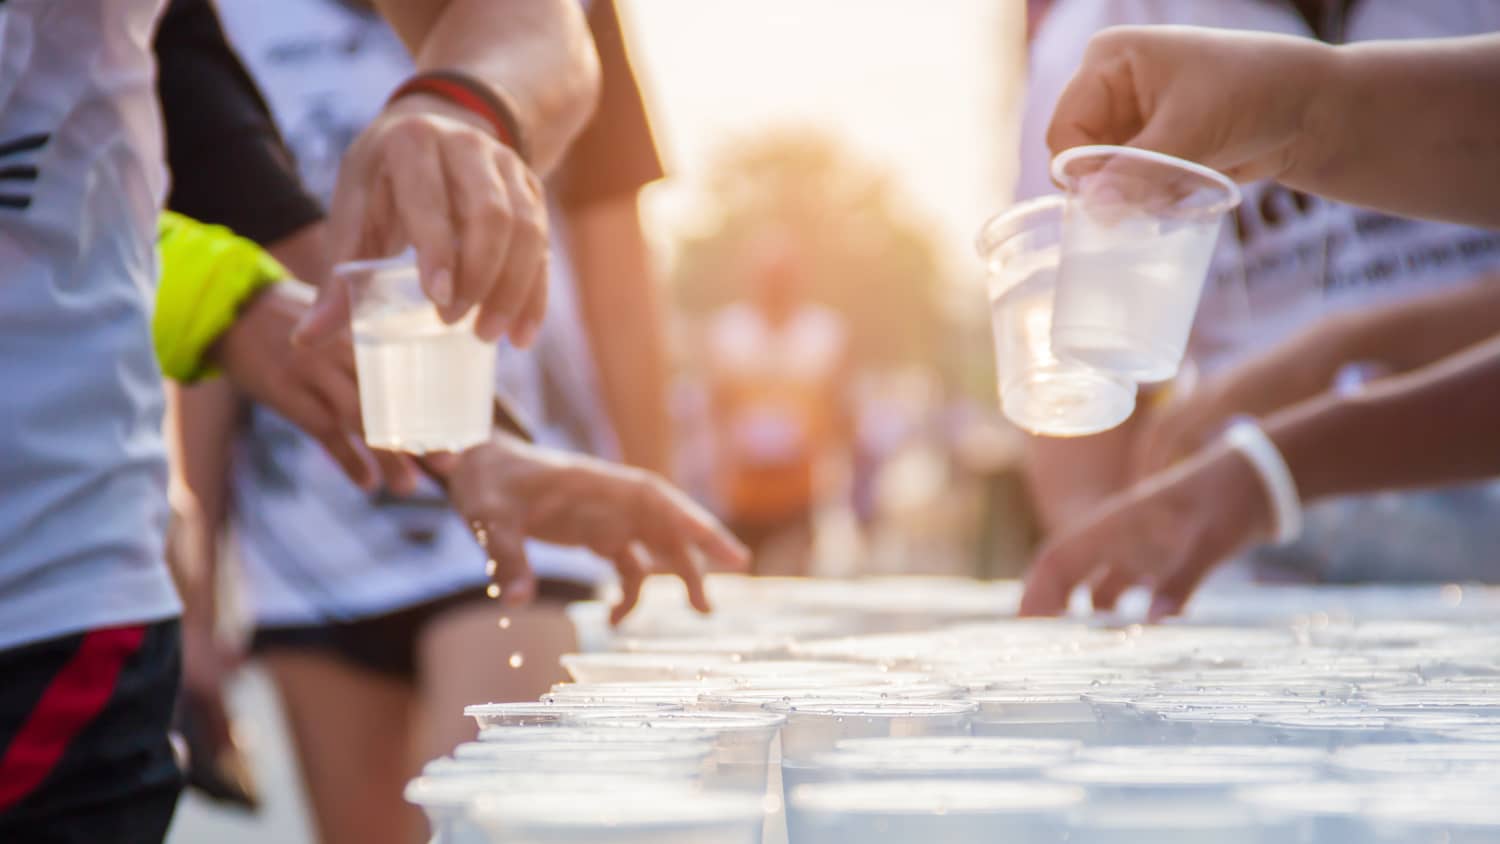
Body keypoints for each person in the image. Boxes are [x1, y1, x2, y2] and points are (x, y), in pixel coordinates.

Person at [0, 1, 598, 840]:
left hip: (55, 606)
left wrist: (460, 104)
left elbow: (534, 28)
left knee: (488, 819)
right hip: (297, 563)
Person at [169, 2, 700, 842]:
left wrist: (652, 487)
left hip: (521, 490)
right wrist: (193, 602)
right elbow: (220, 292)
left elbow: (620, 281)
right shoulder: (211, 20)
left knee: (489, 821)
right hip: (312, 520)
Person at [1018, 2, 1500, 603]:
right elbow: (1079, 397)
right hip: (1243, 548)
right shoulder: (1105, 32)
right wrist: (1106, 564)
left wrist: (1332, 358)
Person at [706, 228, 854, 576]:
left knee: (796, 576)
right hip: (744, 489)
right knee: (742, 575)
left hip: (801, 486)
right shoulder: (729, 330)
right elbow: (717, 407)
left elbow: (841, 406)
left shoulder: (824, 331)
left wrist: (836, 468)